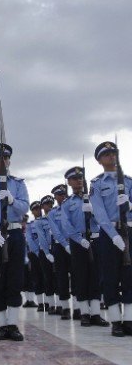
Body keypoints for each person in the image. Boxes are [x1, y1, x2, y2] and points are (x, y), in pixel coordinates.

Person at [0, 143, 29, 341]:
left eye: (5, 158)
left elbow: (24, 208)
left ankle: (13, 324)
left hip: (15, 233)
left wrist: (11, 200)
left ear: (9, 160)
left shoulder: (18, 184)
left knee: (14, 279)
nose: (2, 161)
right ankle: (1, 324)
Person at [89, 141, 132, 337]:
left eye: (114, 153)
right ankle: (116, 321)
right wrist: (114, 236)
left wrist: (129, 205)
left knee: (129, 276)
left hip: (129, 231)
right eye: (106, 154)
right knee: (110, 277)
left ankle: (129, 320)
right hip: (109, 235)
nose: (112, 157)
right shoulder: (97, 184)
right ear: (99, 160)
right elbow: (99, 213)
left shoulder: (129, 181)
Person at [61, 166, 108, 327]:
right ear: (69, 182)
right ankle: (84, 314)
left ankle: (96, 313)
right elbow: (66, 225)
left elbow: (103, 218)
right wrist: (79, 239)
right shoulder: (67, 203)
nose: (78, 181)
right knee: (81, 276)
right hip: (78, 243)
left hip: (95, 240)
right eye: (75, 179)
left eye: (80, 178)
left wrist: (93, 211)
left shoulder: (94, 198)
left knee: (96, 276)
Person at [48, 184, 73, 319]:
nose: (62, 197)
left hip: (74, 243)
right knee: (62, 277)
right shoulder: (52, 213)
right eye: (59, 195)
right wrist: (65, 244)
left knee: (76, 275)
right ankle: (65, 308)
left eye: (63, 194)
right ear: (55, 197)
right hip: (60, 246)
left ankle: (79, 308)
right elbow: (56, 232)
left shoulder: (73, 208)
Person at [33, 195, 57, 313]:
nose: (50, 206)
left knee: (59, 277)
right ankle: (51, 304)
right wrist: (47, 252)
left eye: (51, 204)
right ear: (42, 206)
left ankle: (62, 305)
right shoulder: (39, 222)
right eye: (47, 204)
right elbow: (41, 238)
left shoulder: (57, 217)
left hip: (57, 249)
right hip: (45, 251)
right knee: (48, 278)